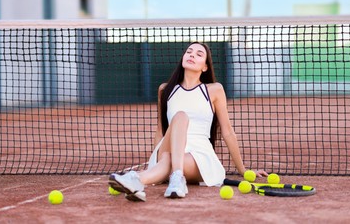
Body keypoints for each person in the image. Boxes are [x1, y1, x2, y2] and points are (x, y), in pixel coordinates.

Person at [109, 41, 267, 202]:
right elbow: (160, 131)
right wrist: (154, 161)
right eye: (189, 52)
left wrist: (243, 170)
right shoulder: (165, 90)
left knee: (172, 147)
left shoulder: (214, 90)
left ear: (205, 67)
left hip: (199, 154)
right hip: (167, 149)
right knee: (180, 117)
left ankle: (138, 178)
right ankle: (174, 178)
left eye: (199, 54)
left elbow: (227, 132)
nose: (192, 55)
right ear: (183, 58)